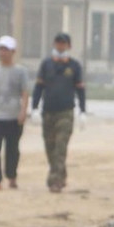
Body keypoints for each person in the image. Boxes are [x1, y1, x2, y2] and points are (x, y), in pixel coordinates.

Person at [31, 31, 85, 192]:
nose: (60, 46)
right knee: (50, 147)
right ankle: (61, 175)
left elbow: (80, 90)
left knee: (61, 146)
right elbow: (39, 87)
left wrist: (83, 111)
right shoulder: (46, 64)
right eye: (58, 43)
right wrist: (34, 107)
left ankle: (54, 181)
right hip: (48, 111)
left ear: (69, 46)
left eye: (64, 43)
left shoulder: (74, 66)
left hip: (66, 112)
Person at [0, 35, 30, 190]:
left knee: (12, 149)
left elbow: (24, 92)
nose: (3, 52)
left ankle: (12, 176)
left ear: (13, 51)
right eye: (1, 49)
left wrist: (23, 111)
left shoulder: (20, 71)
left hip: (14, 116)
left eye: (6, 49)